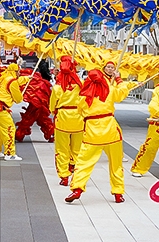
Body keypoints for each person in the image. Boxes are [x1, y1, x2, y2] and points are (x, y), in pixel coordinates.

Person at [65, 62, 136, 204]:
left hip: (92, 131)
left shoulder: (85, 94)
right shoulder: (109, 88)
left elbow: (80, 109)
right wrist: (119, 80)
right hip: (110, 129)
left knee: (84, 161)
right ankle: (118, 192)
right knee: (115, 163)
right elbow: (121, 94)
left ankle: (77, 188)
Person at [50, 56, 84, 186]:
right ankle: (75, 172)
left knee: (61, 149)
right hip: (78, 118)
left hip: (63, 119)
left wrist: (54, 111)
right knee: (77, 149)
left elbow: (52, 105)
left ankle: (64, 176)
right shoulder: (80, 84)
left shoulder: (58, 87)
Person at [0, 62, 24, 161]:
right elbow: (18, 99)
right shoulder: (12, 81)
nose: (20, 73)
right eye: (19, 71)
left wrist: (27, 79)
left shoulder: (5, 78)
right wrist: (20, 96)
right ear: (15, 71)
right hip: (0, 108)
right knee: (9, 129)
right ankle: (10, 153)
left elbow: (20, 80)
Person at [15, 62, 54, 143]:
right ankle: (52, 133)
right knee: (42, 119)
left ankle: (19, 134)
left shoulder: (36, 79)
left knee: (31, 118)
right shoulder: (40, 81)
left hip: (37, 104)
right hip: (39, 104)